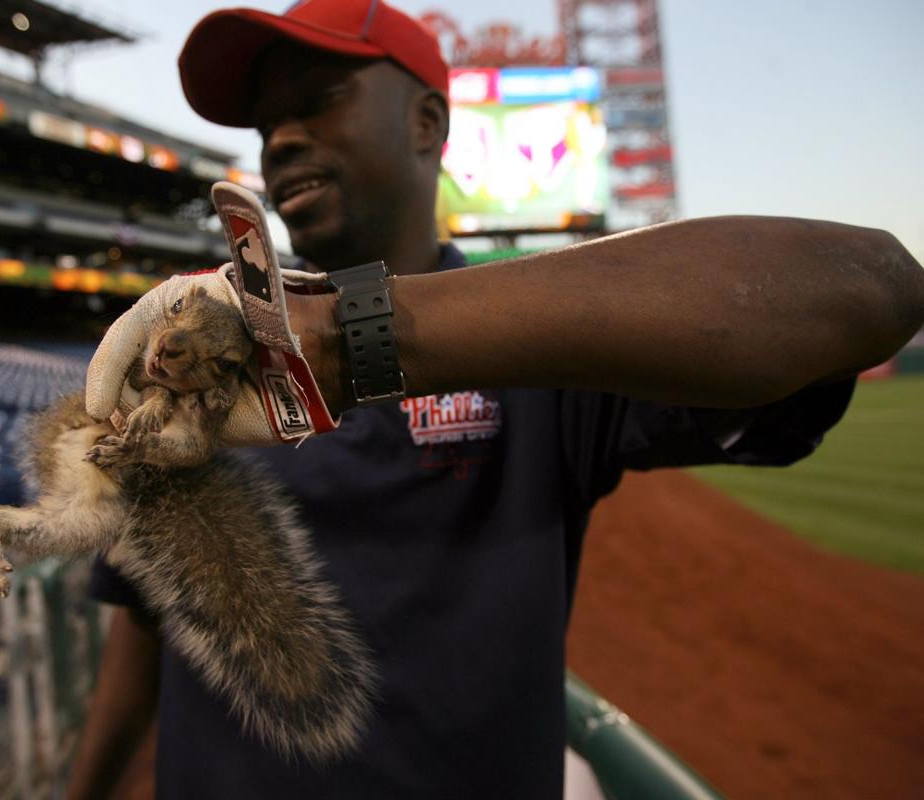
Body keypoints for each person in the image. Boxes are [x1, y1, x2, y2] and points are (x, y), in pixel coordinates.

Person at [64, 2, 924, 798]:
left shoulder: (542, 343)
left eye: (316, 100)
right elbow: (144, 625)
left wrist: (348, 339)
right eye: (265, 125)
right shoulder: (195, 359)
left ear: (427, 122)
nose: (281, 139)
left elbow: (873, 287)